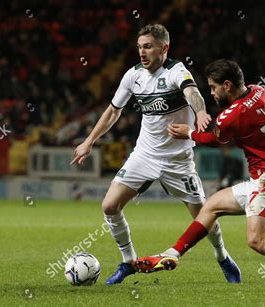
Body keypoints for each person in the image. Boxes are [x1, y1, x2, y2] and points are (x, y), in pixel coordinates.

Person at [134, 59, 265, 293]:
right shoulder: (259, 91)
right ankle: (173, 254)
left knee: (257, 241)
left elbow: (215, 138)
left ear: (227, 85)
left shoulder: (234, 114)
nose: (211, 93)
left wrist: (188, 132)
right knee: (211, 206)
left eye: (213, 87)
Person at [71, 25, 241, 285]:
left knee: (203, 216)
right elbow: (113, 110)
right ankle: (128, 262)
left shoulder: (176, 71)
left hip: (178, 161)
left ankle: (223, 257)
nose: (142, 52)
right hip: (144, 155)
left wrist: (200, 113)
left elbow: (192, 92)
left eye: (148, 46)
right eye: (139, 47)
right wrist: (89, 141)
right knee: (109, 205)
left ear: (164, 48)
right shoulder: (133, 76)